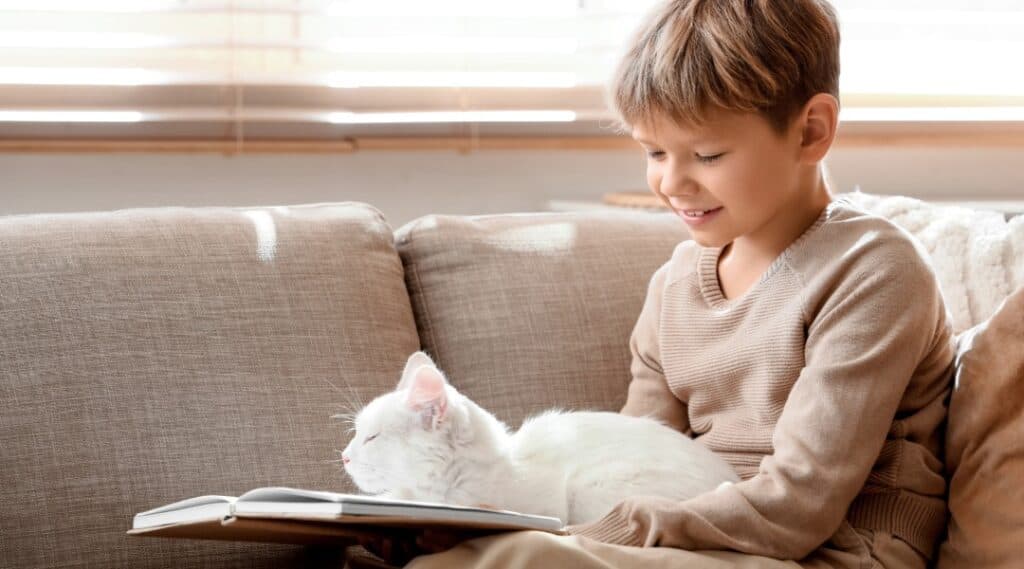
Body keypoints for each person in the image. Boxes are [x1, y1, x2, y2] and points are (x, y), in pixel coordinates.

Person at [354, 0, 956, 567]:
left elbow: (801, 504)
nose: (671, 182)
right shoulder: (674, 287)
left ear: (810, 131)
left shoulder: (873, 271)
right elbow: (634, 449)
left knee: (521, 559)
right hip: (707, 543)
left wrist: (586, 537)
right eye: (653, 152)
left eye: (707, 155)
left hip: (838, 551)